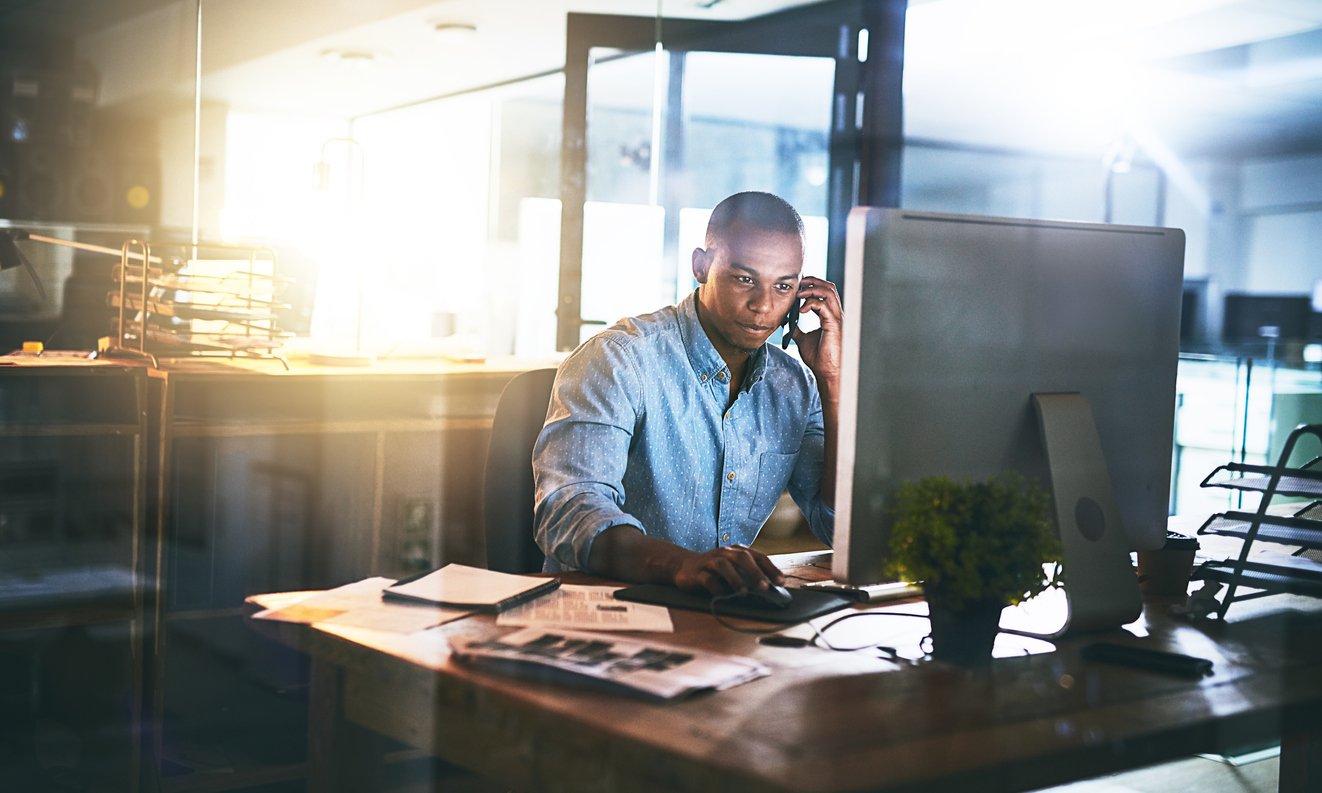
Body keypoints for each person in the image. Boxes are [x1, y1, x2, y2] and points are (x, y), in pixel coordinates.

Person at [532, 191, 842, 596]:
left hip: (717, 619)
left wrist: (833, 383)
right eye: (745, 279)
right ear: (701, 266)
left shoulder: (795, 386)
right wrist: (686, 566)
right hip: (605, 611)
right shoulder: (620, 359)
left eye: (783, 286)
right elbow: (570, 511)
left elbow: (838, 528)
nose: (763, 305)